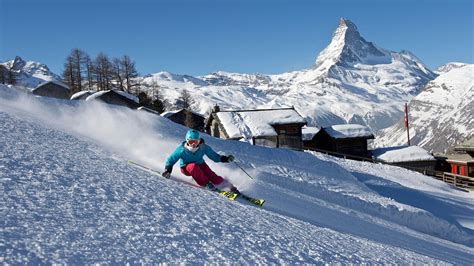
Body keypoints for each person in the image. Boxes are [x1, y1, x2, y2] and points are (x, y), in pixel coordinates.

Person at [163, 129, 238, 192]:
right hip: (186, 167)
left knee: (210, 174)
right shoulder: (182, 149)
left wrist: (225, 159)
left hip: (200, 164)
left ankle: (228, 186)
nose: (193, 144)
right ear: (187, 141)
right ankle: (206, 183)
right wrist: (168, 170)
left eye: (195, 142)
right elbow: (171, 160)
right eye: (191, 142)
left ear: (199, 141)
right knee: (193, 167)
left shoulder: (203, 147)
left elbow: (214, 156)